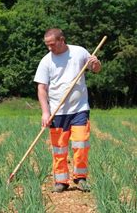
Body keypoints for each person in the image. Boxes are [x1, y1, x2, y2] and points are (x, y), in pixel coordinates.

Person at [34, 28, 101, 193]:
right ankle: (61, 180)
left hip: (79, 109)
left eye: (52, 44)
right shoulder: (46, 61)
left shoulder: (79, 52)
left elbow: (95, 69)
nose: (50, 48)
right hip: (57, 111)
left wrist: (96, 63)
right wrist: (45, 112)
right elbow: (42, 88)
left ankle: (81, 178)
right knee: (59, 147)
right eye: (47, 45)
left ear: (62, 40)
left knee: (81, 144)